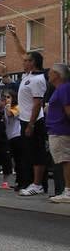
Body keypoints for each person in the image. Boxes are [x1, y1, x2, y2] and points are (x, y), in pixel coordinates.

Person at [8, 27, 49, 196]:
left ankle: (38, 184)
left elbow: (38, 103)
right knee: (29, 154)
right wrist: (15, 37)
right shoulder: (27, 75)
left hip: (35, 121)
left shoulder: (38, 79)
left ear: (33, 63)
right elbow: (22, 53)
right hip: (25, 120)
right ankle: (31, 182)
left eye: (27, 60)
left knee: (37, 153)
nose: (23, 62)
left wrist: (31, 124)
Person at [46, 63, 70, 202]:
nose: (49, 74)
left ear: (57, 75)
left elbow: (68, 110)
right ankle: (66, 190)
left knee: (66, 160)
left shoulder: (64, 89)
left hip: (61, 130)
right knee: (63, 160)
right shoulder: (59, 89)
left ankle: (68, 191)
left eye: (51, 72)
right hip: (56, 129)